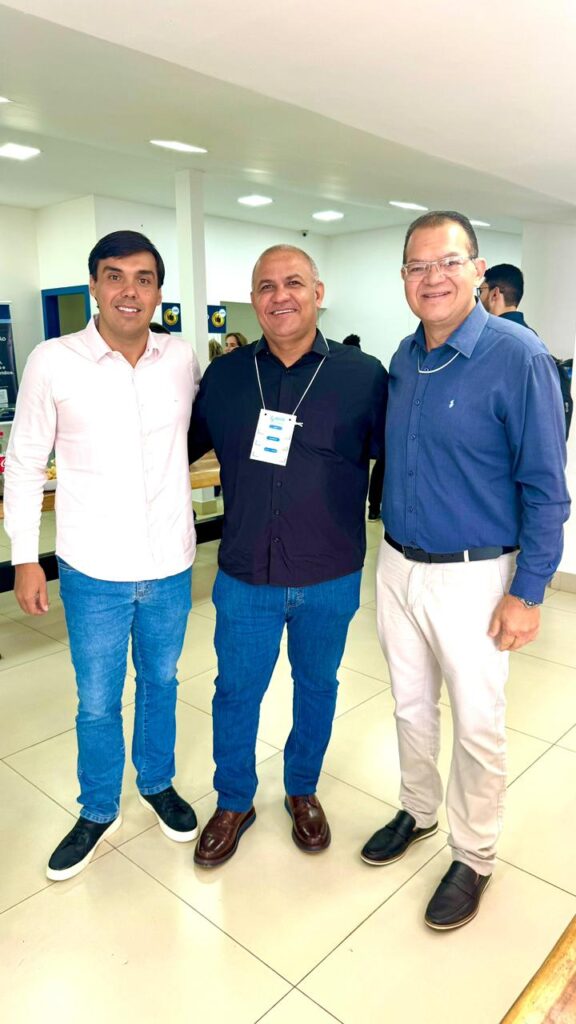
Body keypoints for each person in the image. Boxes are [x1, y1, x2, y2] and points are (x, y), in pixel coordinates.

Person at [361, 212, 569, 930]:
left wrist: (528, 592)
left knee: (478, 723)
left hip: (475, 577)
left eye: (448, 262)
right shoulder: (404, 356)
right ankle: (418, 810)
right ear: (404, 279)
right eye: (417, 267)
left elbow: (547, 488)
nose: (433, 278)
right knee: (409, 704)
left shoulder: (518, 356)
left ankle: (474, 853)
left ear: (477, 271)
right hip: (397, 564)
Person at [4, 229, 201, 881]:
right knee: (96, 699)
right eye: (114, 276)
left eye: (144, 278)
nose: (129, 290)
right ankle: (97, 807)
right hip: (93, 568)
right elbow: (25, 462)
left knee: (163, 682)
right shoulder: (53, 361)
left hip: (170, 562)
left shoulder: (181, 358)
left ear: (159, 291)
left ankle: (157, 781)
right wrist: (27, 557)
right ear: (93, 285)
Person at [189, 244, 388, 867]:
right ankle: (234, 800)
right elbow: (173, 449)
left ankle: (302, 789)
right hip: (246, 574)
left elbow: (402, 459)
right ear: (254, 299)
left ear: (318, 293)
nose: (281, 296)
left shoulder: (363, 375)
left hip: (329, 574)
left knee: (317, 686)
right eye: (267, 286)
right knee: (235, 691)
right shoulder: (225, 377)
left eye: (294, 283)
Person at [480, 263, 573, 438]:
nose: (478, 298)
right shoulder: (531, 338)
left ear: (495, 294)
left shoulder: (495, 340)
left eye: (481, 291)